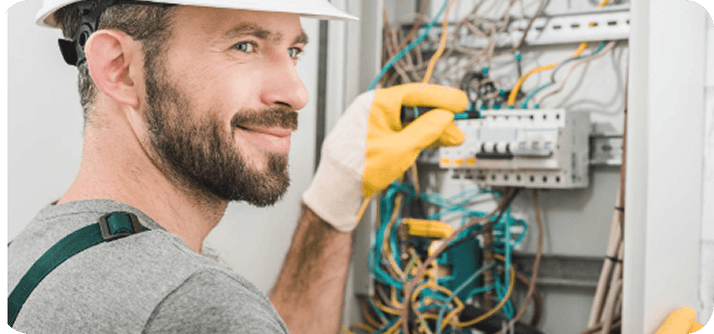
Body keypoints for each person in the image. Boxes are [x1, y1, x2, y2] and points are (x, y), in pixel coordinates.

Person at [6, 0, 468, 332]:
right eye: (244, 46)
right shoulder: (192, 302)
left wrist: (335, 196)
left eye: (293, 51)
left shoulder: (37, 251)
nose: (297, 92)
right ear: (120, 68)